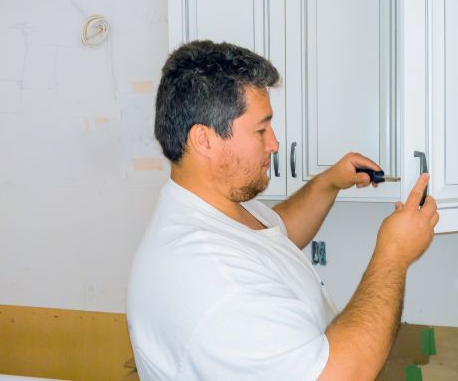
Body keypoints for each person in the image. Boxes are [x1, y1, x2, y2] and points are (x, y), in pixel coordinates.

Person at [126, 40, 438, 380]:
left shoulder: (215, 209)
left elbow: (275, 236)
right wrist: (393, 254)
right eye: (261, 129)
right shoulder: (212, 277)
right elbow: (338, 376)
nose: (274, 143)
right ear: (204, 140)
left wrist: (329, 183)